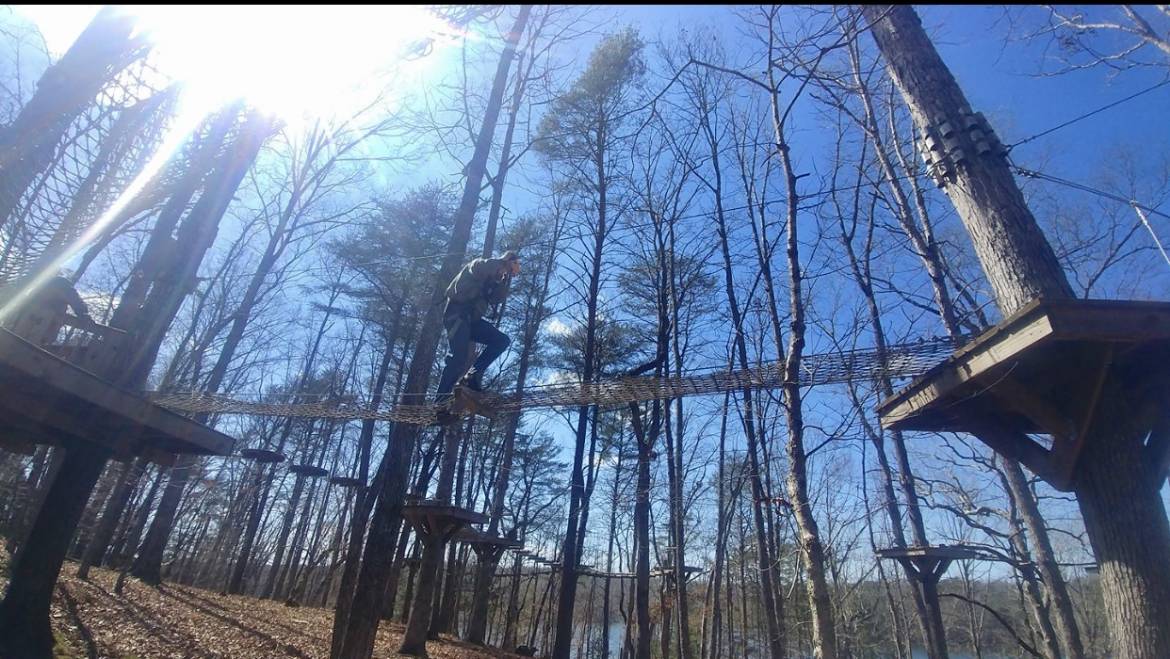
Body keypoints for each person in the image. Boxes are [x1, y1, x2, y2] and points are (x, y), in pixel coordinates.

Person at [434, 251, 520, 416]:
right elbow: (481, 268)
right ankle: (439, 405)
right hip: (457, 315)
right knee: (458, 357)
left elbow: (497, 298)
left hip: (471, 321)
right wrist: (504, 263)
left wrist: (505, 278)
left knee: (501, 341)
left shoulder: (494, 281)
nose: (504, 274)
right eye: (509, 267)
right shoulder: (480, 265)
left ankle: (471, 377)